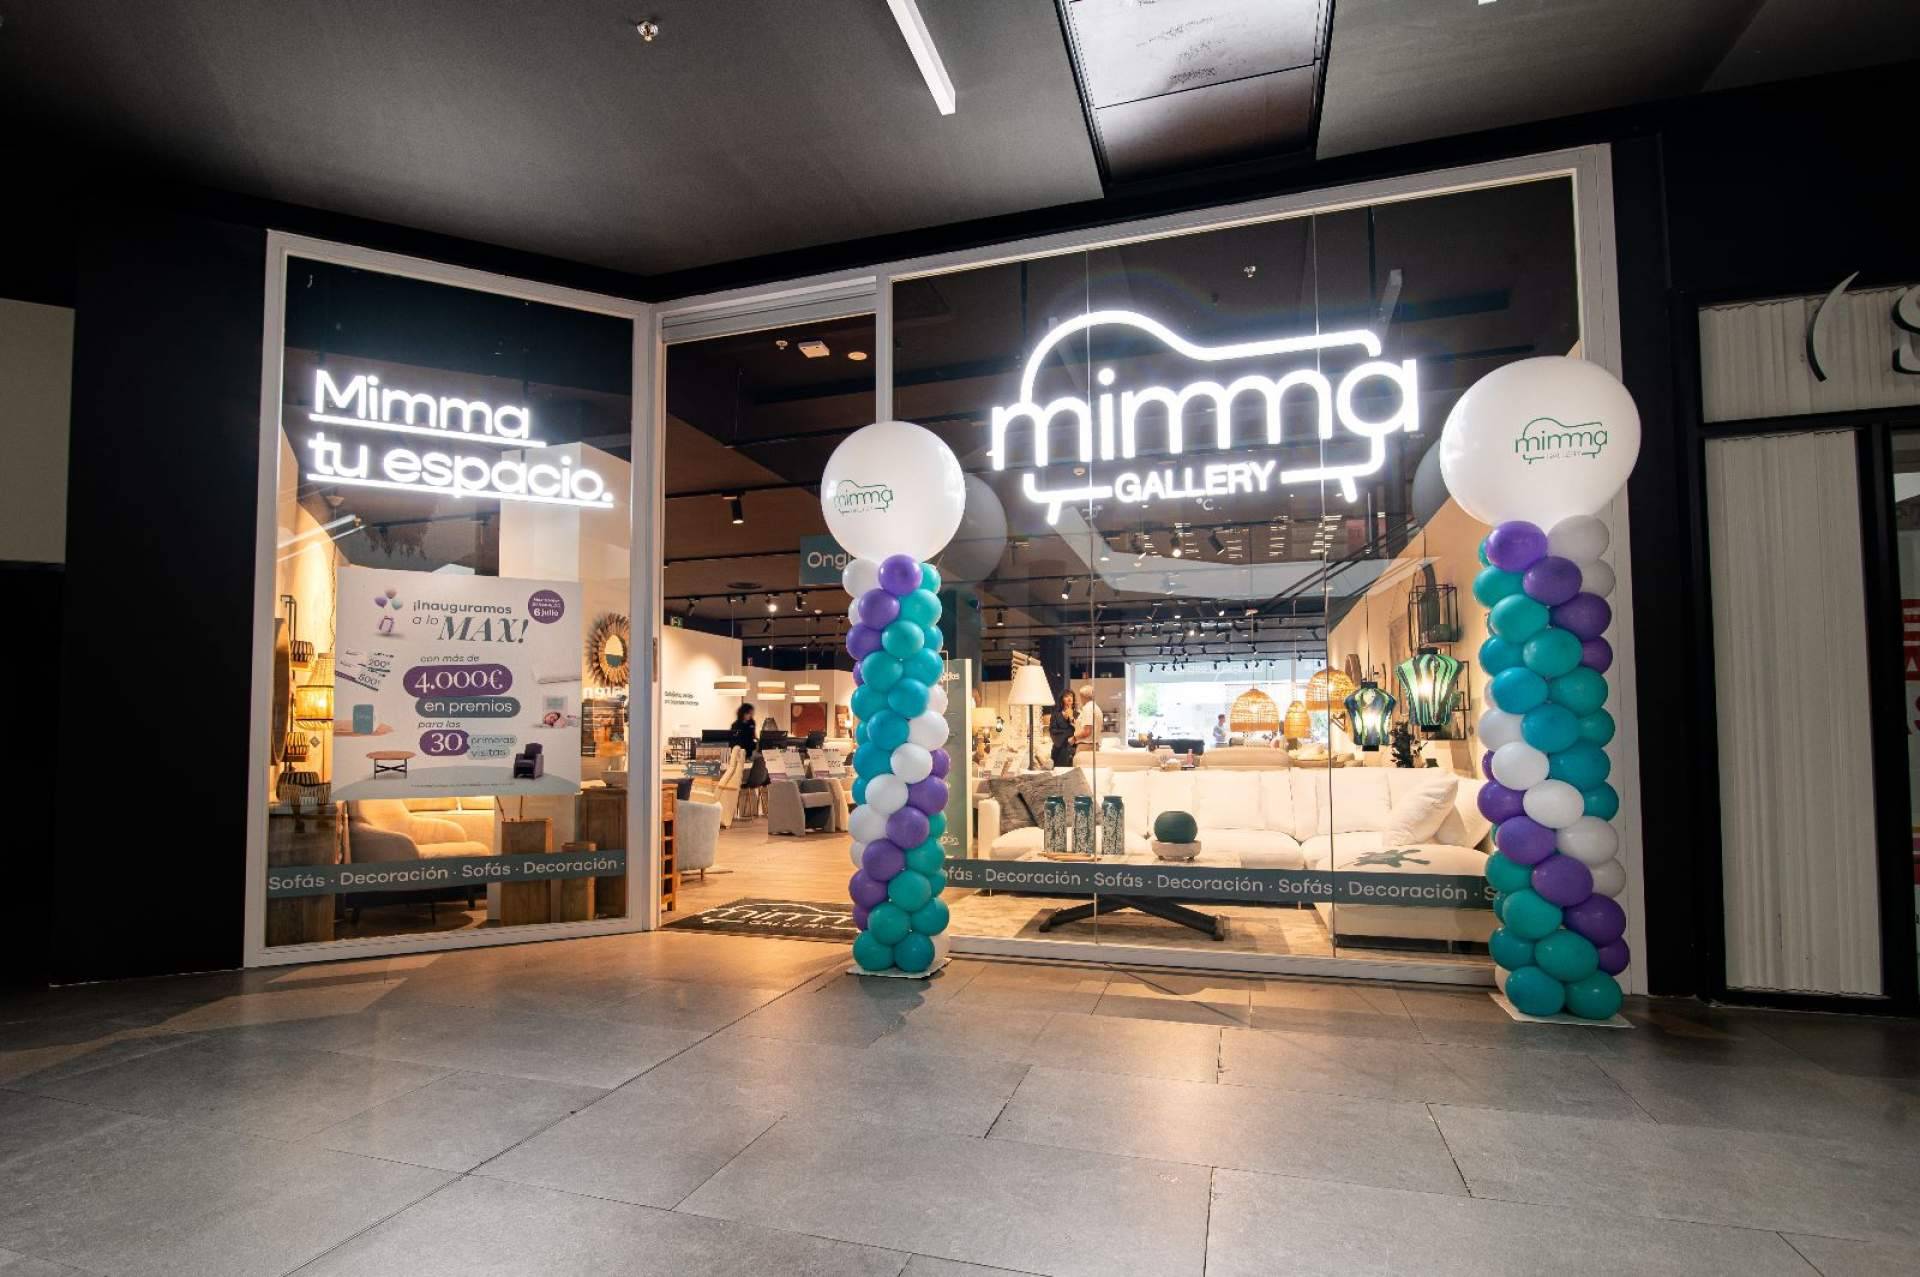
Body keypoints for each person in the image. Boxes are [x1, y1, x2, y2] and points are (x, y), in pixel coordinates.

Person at [1048, 689, 1079, 768]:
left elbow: (1079, 730)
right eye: (1066, 696)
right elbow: (1052, 731)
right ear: (1062, 699)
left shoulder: (1078, 715)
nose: (1069, 698)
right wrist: (1068, 735)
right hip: (1059, 749)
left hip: (1074, 749)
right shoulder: (1055, 715)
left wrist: (1071, 718)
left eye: (1071, 696)